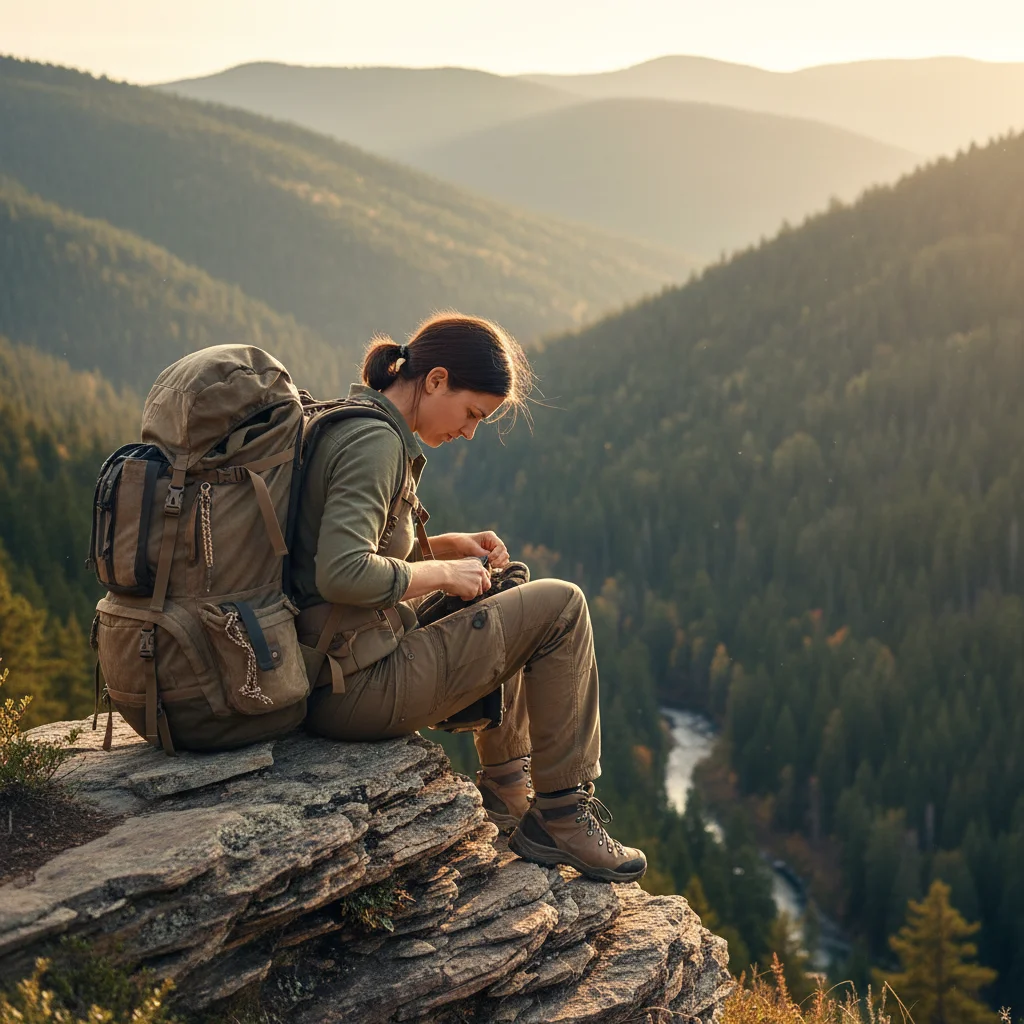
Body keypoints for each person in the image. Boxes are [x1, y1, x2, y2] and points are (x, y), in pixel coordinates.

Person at [291, 312, 646, 883]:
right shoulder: (375, 444)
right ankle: (562, 817)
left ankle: (507, 791)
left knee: (506, 584)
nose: (469, 432)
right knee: (562, 606)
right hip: (351, 685)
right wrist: (442, 575)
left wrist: (446, 548)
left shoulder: (354, 420)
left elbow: (327, 559)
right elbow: (340, 573)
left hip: (336, 659)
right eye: (472, 413)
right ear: (436, 380)